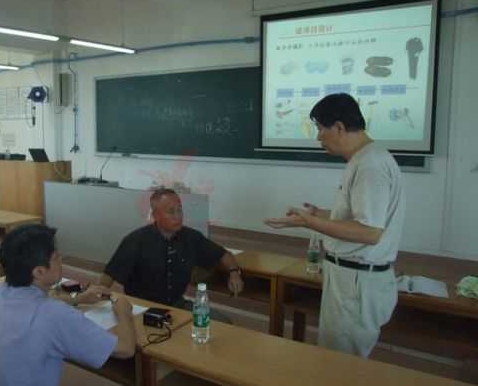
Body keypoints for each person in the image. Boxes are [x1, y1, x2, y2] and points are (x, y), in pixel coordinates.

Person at [265, 93, 405, 358]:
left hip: (356, 283)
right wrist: (318, 214)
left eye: (320, 128)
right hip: (352, 279)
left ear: (339, 127)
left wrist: (309, 222)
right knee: (336, 359)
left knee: (340, 365)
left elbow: (370, 233)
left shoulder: (370, 166)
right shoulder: (364, 160)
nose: (318, 137)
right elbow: (358, 218)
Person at [0, 224, 137, 386]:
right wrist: (123, 312)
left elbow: (37, 305)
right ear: (38, 272)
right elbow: (125, 349)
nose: (61, 260)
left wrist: (77, 299)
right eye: (56, 257)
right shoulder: (53, 314)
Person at [100, 188, 244, 319]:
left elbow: (223, 254)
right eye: (171, 212)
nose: (178, 216)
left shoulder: (191, 237)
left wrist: (234, 272)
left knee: (223, 322)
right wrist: (99, 301)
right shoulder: (136, 240)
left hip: (176, 305)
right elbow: (109, 275)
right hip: (142, 309)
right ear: (155, 215)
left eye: (180, 210)